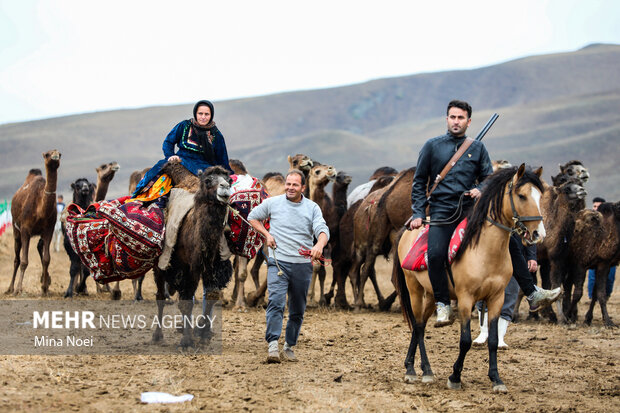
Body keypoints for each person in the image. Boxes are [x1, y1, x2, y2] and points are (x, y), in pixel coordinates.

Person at [410, 99, 560, 327]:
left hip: (471, 210)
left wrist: (478, 190)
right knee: (437, 253)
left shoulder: (478, 148)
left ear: (468, 122)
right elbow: (419, 181)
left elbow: (487, 180)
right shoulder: (432, 146)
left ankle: (532, 293)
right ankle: (442, 304)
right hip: (442, 210)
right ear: (446, 119)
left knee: (509, 242)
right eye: (452, 117)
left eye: (461, 118)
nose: (456, 121)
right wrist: (418, 212)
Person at [248, 170, 329, 363]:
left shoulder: (312, 208)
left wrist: (319, 245)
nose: (290, 188)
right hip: (278, 261)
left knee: (297, 309)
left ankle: (289, 345)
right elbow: (252, 217)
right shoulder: (273, 203)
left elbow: (322, 230)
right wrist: (267, 235)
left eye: (295, 185)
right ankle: (273, 344)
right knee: (276, 302)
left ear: (303, 187)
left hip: (302, 265)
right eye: (288, 184)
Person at [132, 99, 233, 196]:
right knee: (156, 178)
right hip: (181, 161)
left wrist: (229, 175)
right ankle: (144, 202)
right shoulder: (184, 126)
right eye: (200, 113)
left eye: (206, 114)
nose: (203, 117)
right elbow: (168, 142)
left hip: (204, 168)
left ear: (211, 115)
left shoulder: (216, 135)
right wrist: (170, 156)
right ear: (195, 114)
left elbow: (222, 158)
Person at [474, 238, 538, 348]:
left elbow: (529, 233)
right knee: (483, 291)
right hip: (487, 255)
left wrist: (531, 257)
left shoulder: (519, 220)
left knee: (509, 294)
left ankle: (500, 337)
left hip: (514, 257)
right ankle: (483, 332)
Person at [587, 197, 616, 299]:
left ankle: (606, 296)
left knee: (610, 278)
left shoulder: (613, 225)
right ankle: (591, 297)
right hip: (593, 256)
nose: (596, 209)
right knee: (592, 278)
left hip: (609, 257)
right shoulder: (588, 222)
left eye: (598, 206)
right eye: (594, 206)